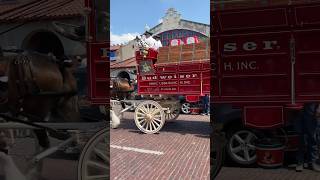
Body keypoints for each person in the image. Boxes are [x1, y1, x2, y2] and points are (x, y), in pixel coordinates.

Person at [295, 103, 320, 172]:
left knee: (313, 137)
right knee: (301, 138)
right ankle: (300, 162)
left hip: (312, 107)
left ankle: (312, 162)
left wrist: (319, 108)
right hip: (298, 108)